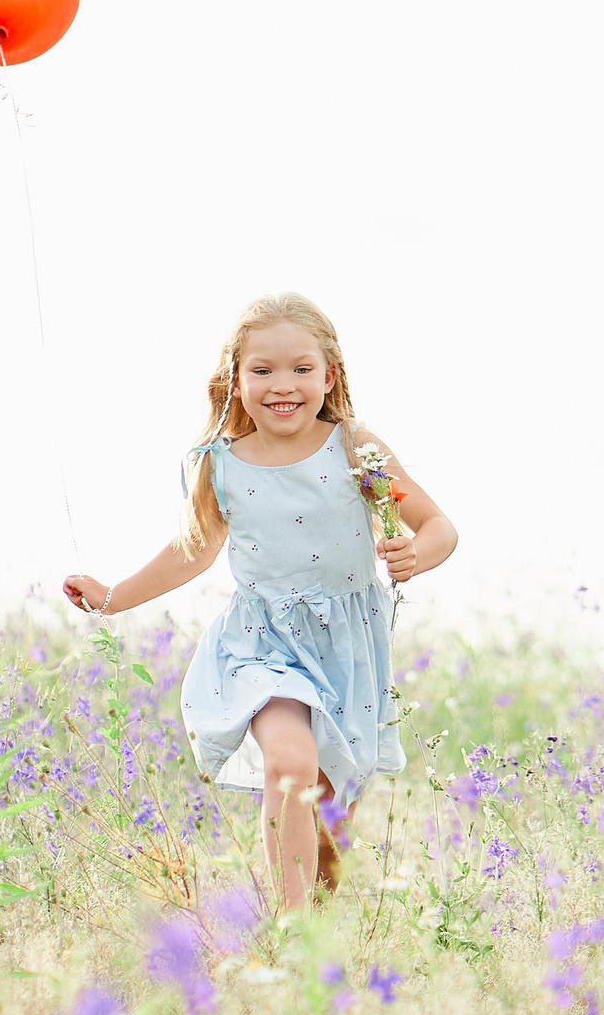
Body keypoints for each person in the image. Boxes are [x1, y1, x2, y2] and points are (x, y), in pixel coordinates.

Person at [63, 292, 457, 912]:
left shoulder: (354, 447)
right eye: (263, 370)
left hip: (347, 649)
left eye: (302, 368)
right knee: (291, 763)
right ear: (236, 379)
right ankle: (290, 929)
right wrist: (113, 598)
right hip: (262, 644)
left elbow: (437, 526)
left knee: (329, 814)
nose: (283, 385)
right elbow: (192, 551)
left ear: (329, 376)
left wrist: (418, 553)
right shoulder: (220, 465)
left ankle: (315, 912)